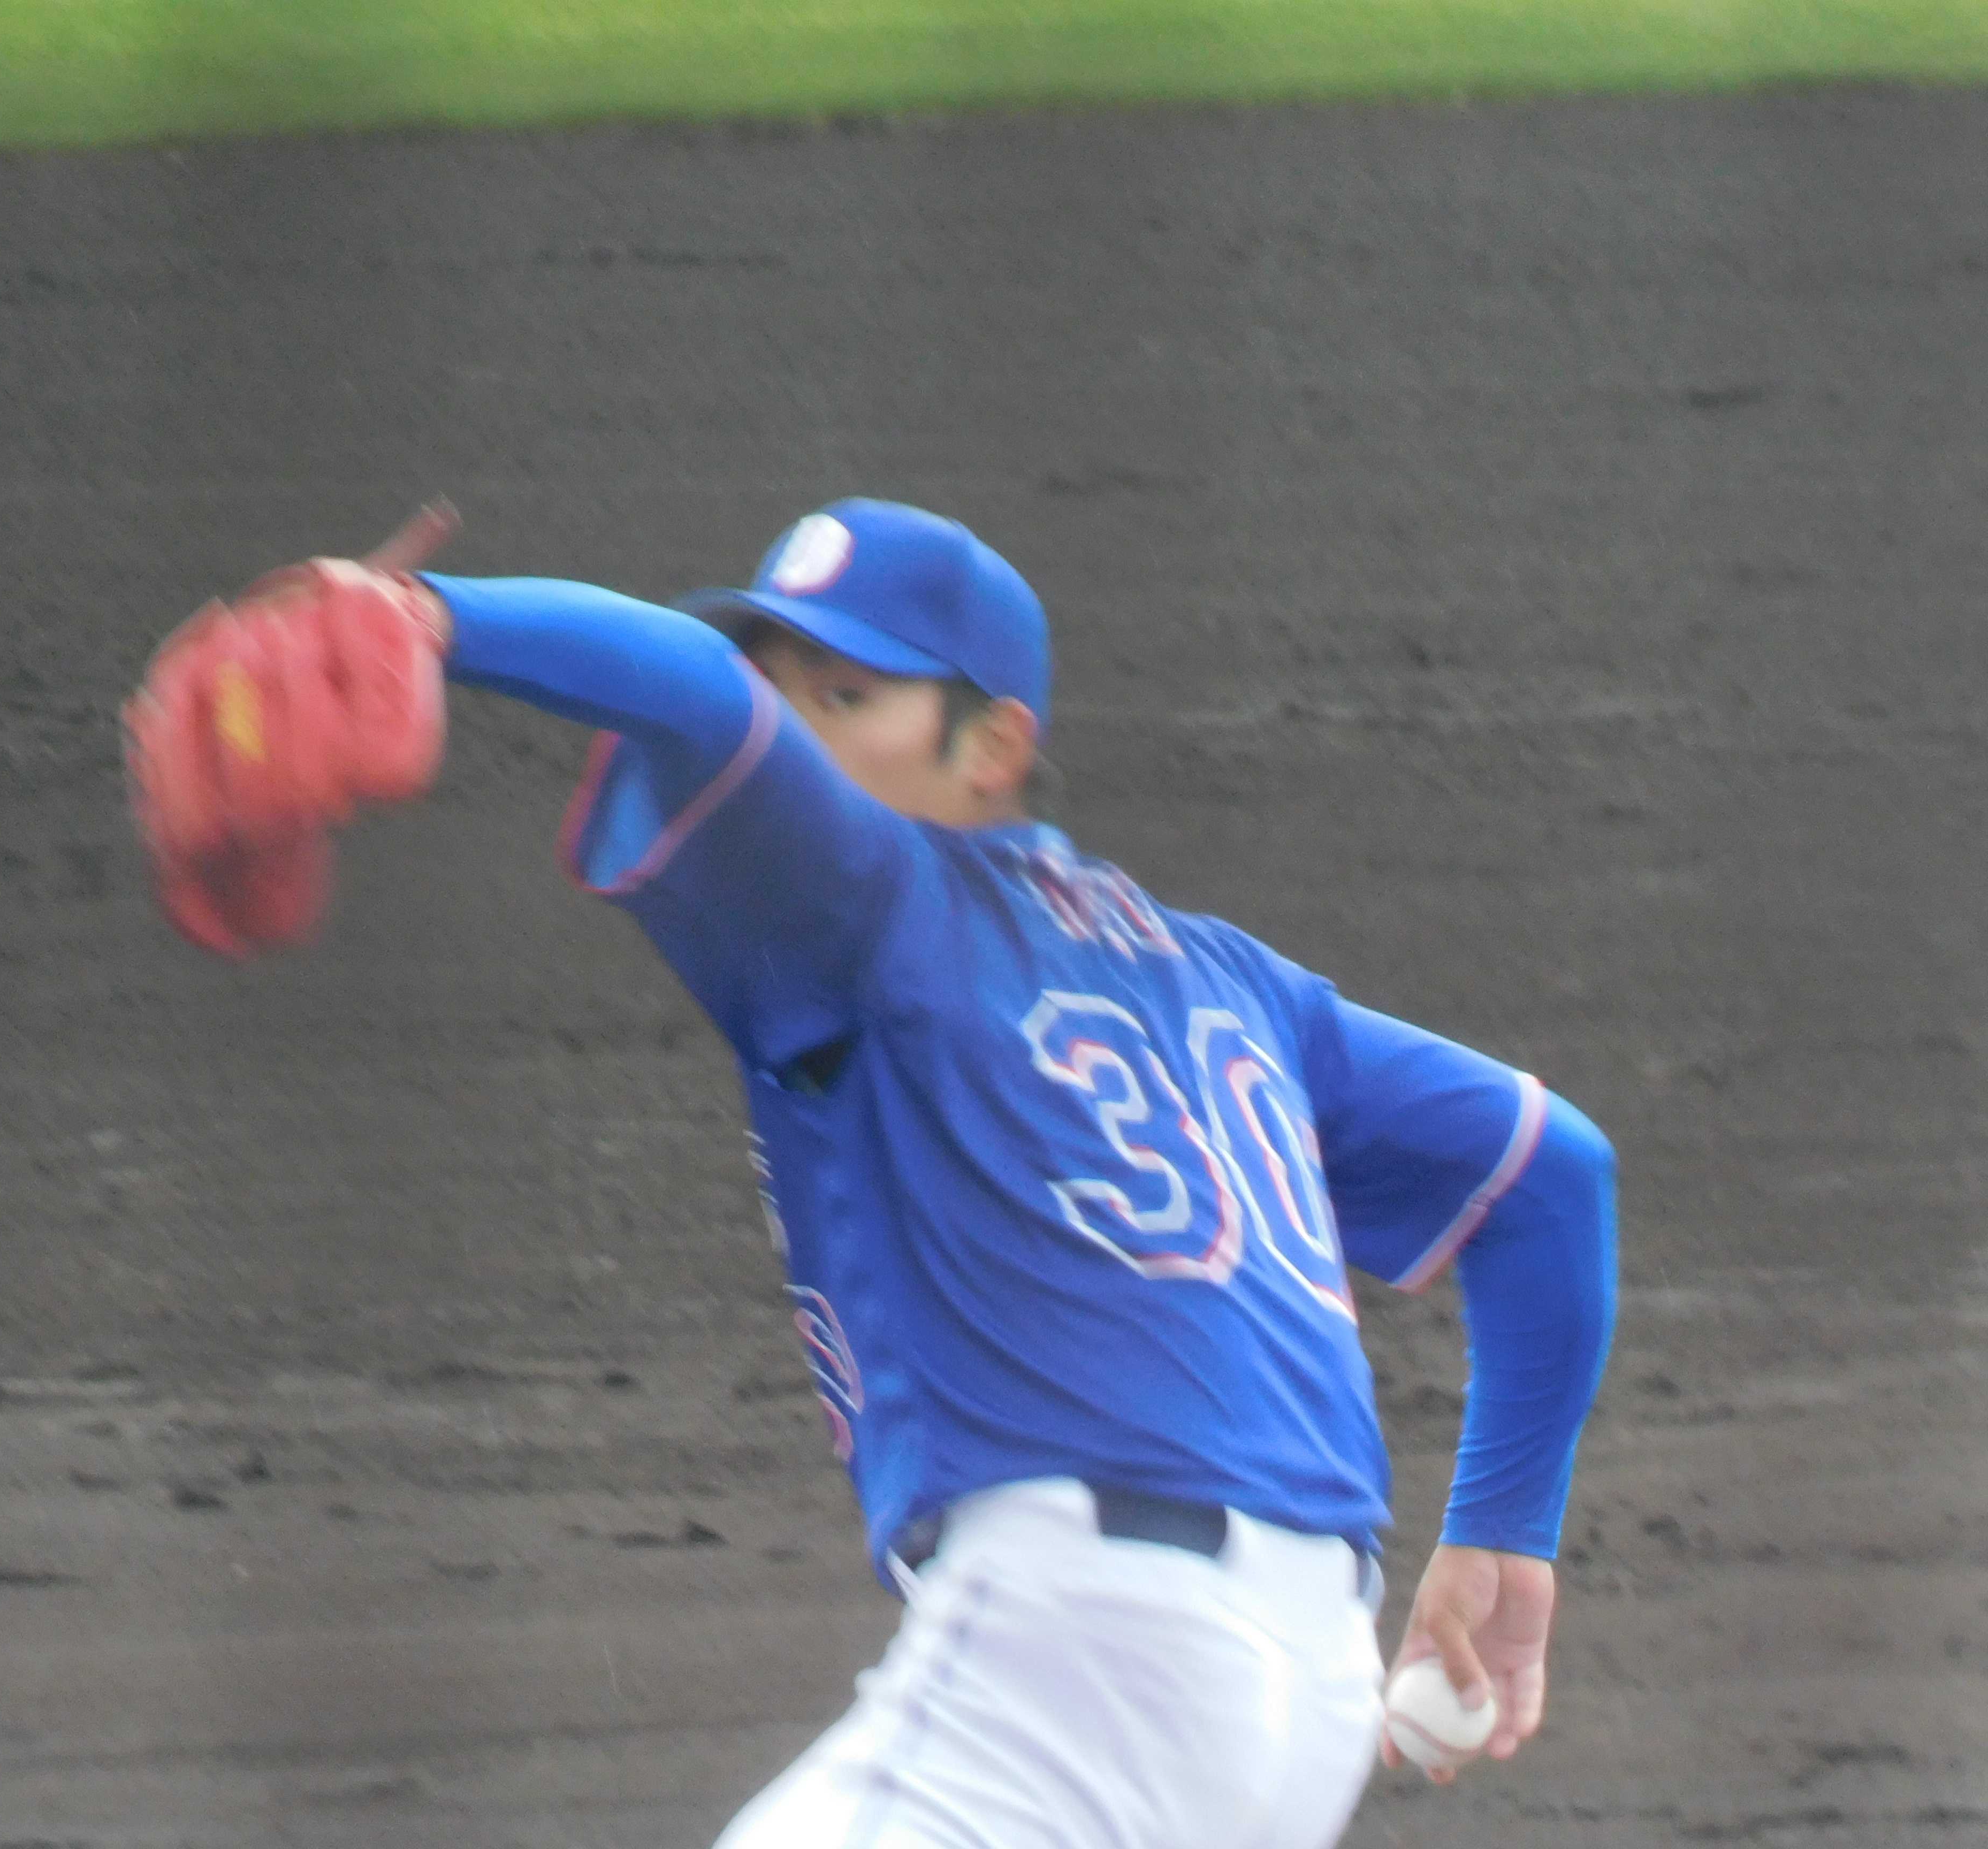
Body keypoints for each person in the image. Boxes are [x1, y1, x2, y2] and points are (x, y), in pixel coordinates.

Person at [139, 497, 1620, 1849]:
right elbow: (1551, 1176)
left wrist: (432, 617)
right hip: (1307, 1700)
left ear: (992, 750)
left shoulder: (869, 897)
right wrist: (1504, 1530)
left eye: (847, 697)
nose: (797, 731)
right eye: (785, 685)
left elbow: (694, 691)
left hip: (1082, 1658)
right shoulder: (1237, 984)